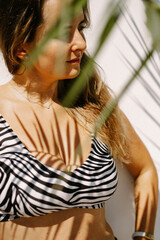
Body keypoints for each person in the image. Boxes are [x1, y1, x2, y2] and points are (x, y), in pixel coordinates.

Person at [0, 0, 158, 240]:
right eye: (65, 32)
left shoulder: (93, 104)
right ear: (22, 46)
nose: (82, 44)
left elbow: (145, 169)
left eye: (81, 27)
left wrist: (144, 236)